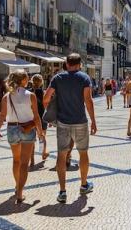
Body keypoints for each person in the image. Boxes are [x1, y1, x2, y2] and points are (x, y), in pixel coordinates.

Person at [43, 53, 97, 204]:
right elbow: (88, 101)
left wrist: (52, 112)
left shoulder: (57, 78)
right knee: (83, 153)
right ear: (80, 64)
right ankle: (84, 185)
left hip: (63, 123)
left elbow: (46, 99)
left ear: (66, 63)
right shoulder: (84, 78)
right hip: (80, 121)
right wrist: (93, 121)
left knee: (61, 156)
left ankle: (62, 191)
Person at [0, 70, 44, 204]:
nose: (28, 80)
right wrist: (40, 132)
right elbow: (36, 116)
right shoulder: (31, 95)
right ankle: (20, 192)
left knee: (16, 160)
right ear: (22, 80)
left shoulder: (7, 96)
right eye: (27, 78)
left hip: (12, 128)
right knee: (24, 163)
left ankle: (17, 186)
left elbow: (2, 115)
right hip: (27, 129)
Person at [30, 74, 49, 166]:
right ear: (41, 82)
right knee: (42, 137)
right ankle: (43, 153)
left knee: (31, 139)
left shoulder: (29, 92)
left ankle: (32, 159)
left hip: (31, 117)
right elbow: (47, 106)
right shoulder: (43, 92)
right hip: (42, 117)